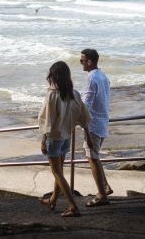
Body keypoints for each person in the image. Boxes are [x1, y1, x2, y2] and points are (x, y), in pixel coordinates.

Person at [38, 61, 93, 217]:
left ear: (54, 76)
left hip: (54, 138)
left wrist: (43, 140)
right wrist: (87, 136)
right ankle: (53, 199)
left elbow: (48, 121)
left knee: (56, 172)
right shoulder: (74, 93)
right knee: (60, 171)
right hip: (67, 137)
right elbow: (83, 116)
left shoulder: (52, 95)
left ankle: (73, 206)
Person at [80, 48, 113, 207]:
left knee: (92, 158)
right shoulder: (103, 76)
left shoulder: (91, 78)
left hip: (93, 125)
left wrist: (78, 120)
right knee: (95, 156)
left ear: (90, 62)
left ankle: (101, 195)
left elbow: (86, 104)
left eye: (82, 60)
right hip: (103, 121)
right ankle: (105, 187)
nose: (81, 64)